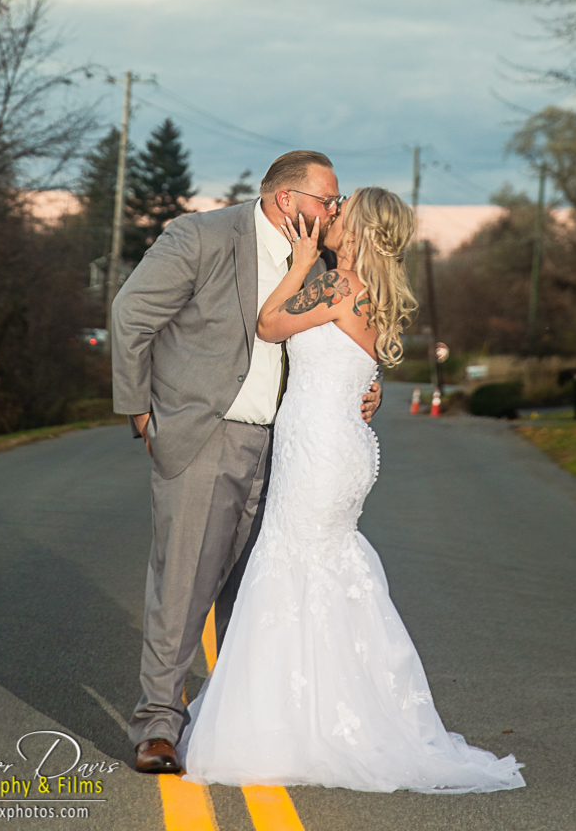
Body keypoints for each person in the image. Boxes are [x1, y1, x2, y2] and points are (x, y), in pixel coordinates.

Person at [178, 186, 524, 793]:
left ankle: (291, 727)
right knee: (321, 570)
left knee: (293, 566)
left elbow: (268, 324)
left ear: (360, 231)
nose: (330, 216)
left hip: (319, 449)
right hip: (339, 446)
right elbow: (356, 364)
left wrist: (303, 264)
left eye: (342, 212)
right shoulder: (373, 295)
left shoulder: (337, 286)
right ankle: (321, 716)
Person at [112, 150, 382, 774]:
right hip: (209, 434)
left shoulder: (325, 261)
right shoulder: (202, 237)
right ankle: (158, 724)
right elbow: (132, 315)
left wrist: (370, 388)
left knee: (260, 593)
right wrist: (140, 410)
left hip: (291, 450)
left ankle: (240, 724)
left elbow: (346, 339)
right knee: (183, 586)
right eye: (327, 200)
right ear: (288, 199)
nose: (335, 211)